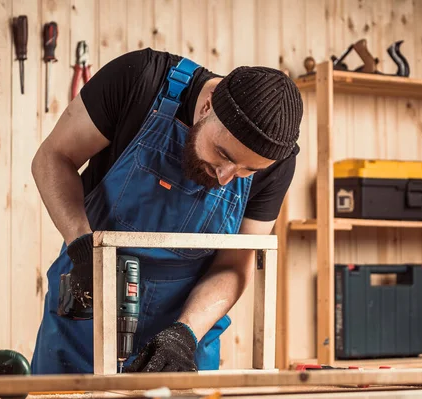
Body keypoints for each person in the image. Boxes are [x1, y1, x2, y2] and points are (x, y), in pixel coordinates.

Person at [30, 48, 303, 374]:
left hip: (187, 320)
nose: (225, 177)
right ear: (207, 105)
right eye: (223, 154)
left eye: (247, 171)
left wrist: (185, 334)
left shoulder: (278, 163)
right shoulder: (139, 80)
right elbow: (53, 157)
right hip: (90, 297)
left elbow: (234, 262)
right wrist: (81, 245)